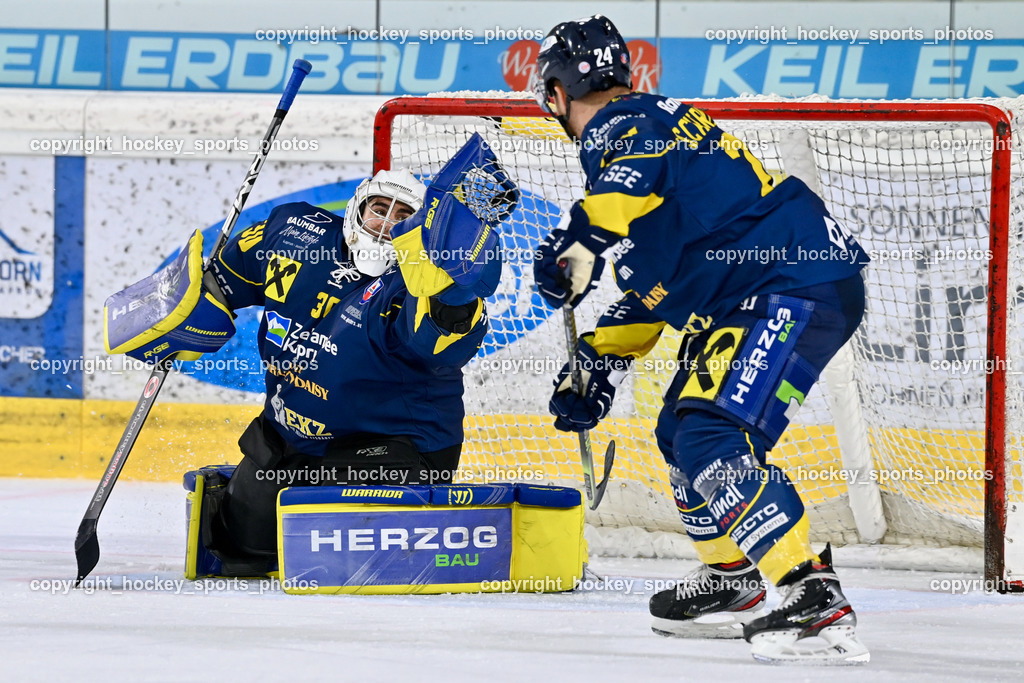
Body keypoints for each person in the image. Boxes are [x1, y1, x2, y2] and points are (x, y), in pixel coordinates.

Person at [531, 15, 870, 665]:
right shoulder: (658, 127)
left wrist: (577, 247)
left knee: (713, 432)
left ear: (555, 94)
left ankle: (810, 589)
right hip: (770, 286)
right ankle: (733, 577)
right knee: (681, 426)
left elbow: (624, 191)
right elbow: (661, 278)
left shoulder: (617, 128)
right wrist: (599, 360)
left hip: (787, 284)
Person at [104, 137, 517, 578]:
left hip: (391, 451)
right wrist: (181, 312)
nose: (385, 225)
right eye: (379, 209)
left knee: (343, 562)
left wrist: (452, 287)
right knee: (240, 552)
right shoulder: (296, 233)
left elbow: (441, 342)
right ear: (356, 210)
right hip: (289, 441)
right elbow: (224, 280)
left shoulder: (414, 284)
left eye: (404, 217)